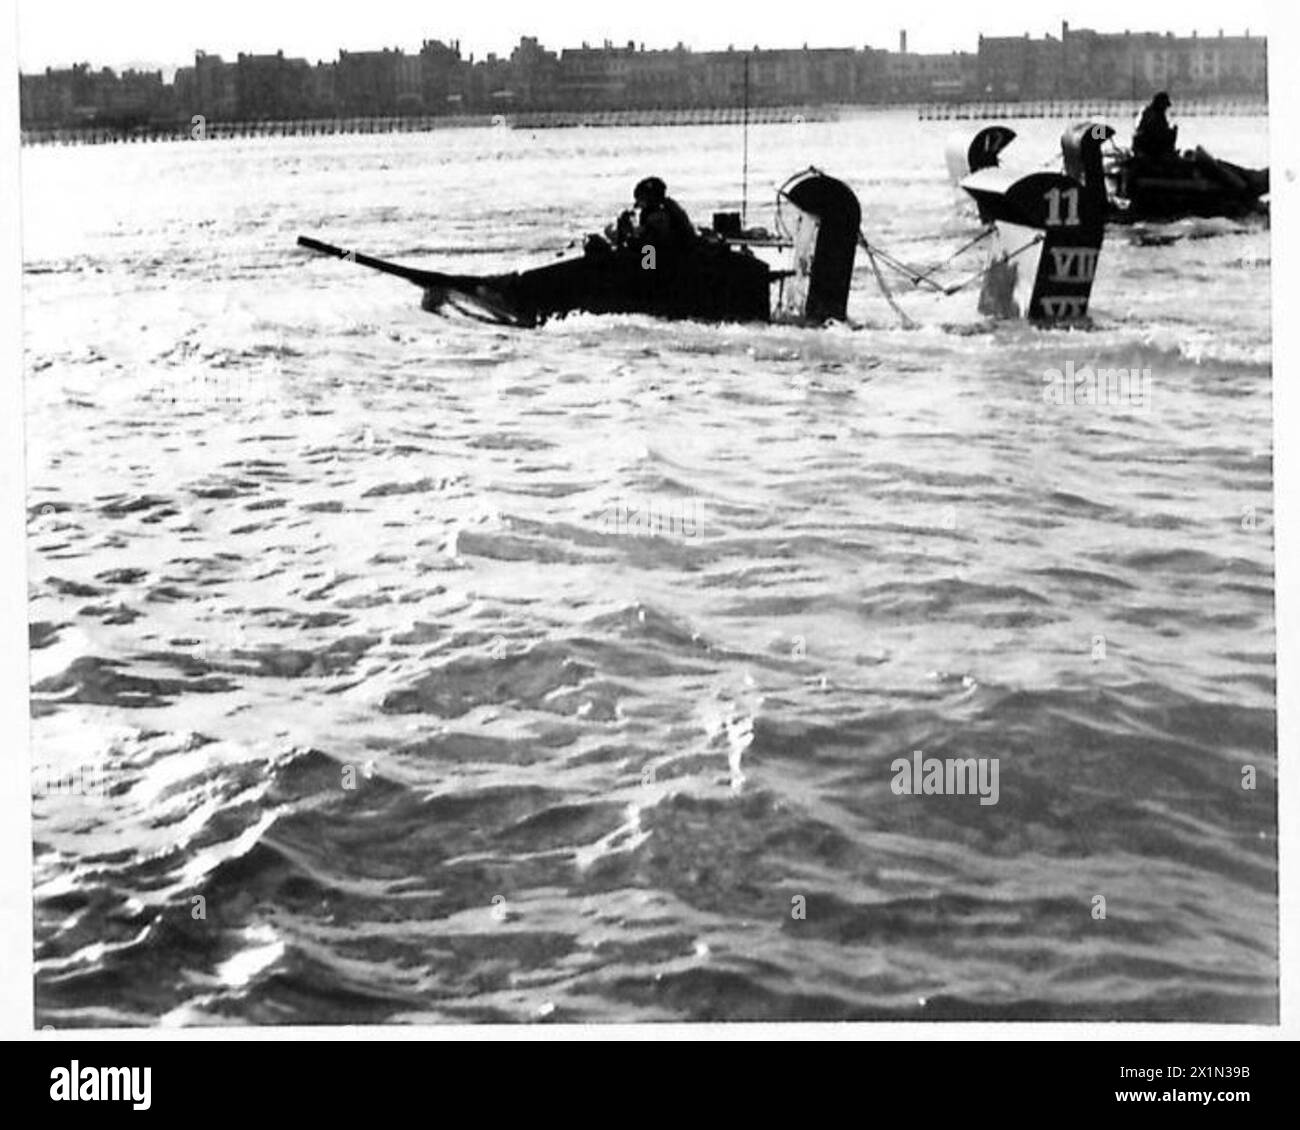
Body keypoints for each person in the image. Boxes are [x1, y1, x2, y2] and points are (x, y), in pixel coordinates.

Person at [1133, 92, 1178, 161]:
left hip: (1146, 146)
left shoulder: (1151, 113)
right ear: (1160, 104)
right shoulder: (1153, 115)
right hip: (1149, 148)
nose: (1166, 108)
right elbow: (1156, 132)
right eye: (1165, 106)